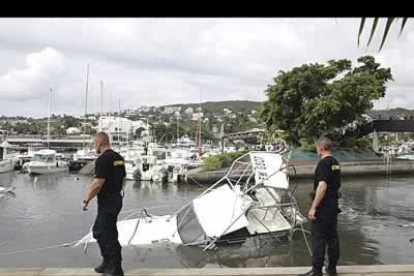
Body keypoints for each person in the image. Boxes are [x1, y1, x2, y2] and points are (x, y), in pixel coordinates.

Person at [82, 132, 126, 276]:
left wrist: (86, 200)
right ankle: (107, 262)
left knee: (109, 234)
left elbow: (97, 183)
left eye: (94, 143)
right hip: (116, 198)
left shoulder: (102, 159)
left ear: (99, 143)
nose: (94, 146)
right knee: (99, 232)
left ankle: (116, 268)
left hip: (108, 200)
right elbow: (122, 178)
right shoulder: (118, 158)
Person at [299, 135, 341, 276]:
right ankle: (332, 268)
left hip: (323, 207)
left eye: (317, 147)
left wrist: (313, 207)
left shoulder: (323, 163)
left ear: (321, 148)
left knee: (318, 238)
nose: (317, 150)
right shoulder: (335, 162)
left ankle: (317, 271)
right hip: (333, 205)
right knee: (332, 237)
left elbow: (322, 186)